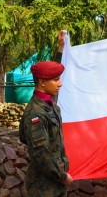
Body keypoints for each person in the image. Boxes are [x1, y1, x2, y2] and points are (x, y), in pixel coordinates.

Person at [19, 31, 73, 196]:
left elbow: (51, 74)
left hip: (54, 183)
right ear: (42, 82)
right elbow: (40, 153)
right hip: (44, 187)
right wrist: (62, 175)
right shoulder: (35, 114)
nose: (60, 83)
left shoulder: (48, 102)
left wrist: (60, 48)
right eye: (56, 79)